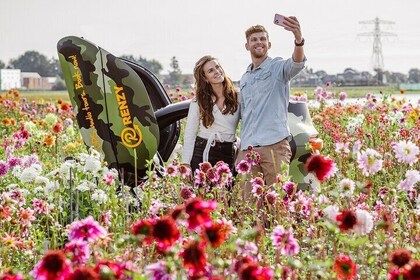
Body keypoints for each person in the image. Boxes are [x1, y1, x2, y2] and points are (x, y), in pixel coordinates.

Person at [236, 18, 306, 198]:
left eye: (262, 39)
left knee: (277, 200)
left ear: (269, 44)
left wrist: (298, 38)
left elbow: (297, 63)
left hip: (274, 146)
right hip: (248, 148)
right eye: (254, 40)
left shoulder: (277, 68)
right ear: (247, 46)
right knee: (248, 203)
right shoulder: (245, 77)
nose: (258, 42)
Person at [182, 55, 240, 174]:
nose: (217, 72)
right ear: (205, 78)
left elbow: (249, 125)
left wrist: (241, 146)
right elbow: (190, 133)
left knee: (226, 192)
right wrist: (186, 163)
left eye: (218, 67)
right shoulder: (199, 101)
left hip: (228, 152)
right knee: (201, 192)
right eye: (211, 70)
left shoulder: (238, 97)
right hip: (203, 150)